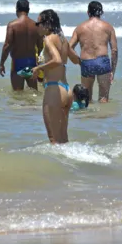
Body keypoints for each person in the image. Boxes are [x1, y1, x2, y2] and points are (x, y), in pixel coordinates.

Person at [32, 10, 80, 144]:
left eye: (38, 23)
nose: (37, 26)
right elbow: (76, 60)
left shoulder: (48, 39)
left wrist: (38, 68)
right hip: (66, 91)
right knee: (64, 141)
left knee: (53, 140)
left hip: (54, 90)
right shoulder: (63, 39)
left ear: (47, 24)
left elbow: (57, 60)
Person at [69, 1, 118, 103]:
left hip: (86, 62)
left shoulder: (80, 28)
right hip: (103, 62)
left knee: (87, 99)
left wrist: (78, 61)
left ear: (88, 12)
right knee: (104, 98)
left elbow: (69, 47)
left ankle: (89, 117)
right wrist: (113, 71)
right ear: (101, 12)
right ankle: (102, 117)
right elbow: (114, 51)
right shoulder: (108, 27)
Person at [0, 0, 45, 91]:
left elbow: (7, 45)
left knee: (18, 95)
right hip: (32, 62)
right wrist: (37, 56)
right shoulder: (35, 25)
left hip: (18, 63)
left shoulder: (12, 25)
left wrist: (2, 63)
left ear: (17, 9)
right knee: (34, 92)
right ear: (28, 10)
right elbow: (40, 44)